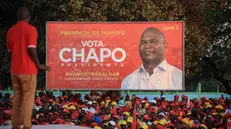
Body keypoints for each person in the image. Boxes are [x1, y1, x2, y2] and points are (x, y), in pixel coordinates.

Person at [6, 7, 51, 129]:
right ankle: (26, 126)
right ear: (28, 16)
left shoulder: (10, 31)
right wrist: (38, 64)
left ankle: (15, 125)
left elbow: (10, 52)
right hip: (28, 70)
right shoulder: (31, 30)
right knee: (28, 99)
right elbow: (31, 48)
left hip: (15, 70)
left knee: (17, 98)